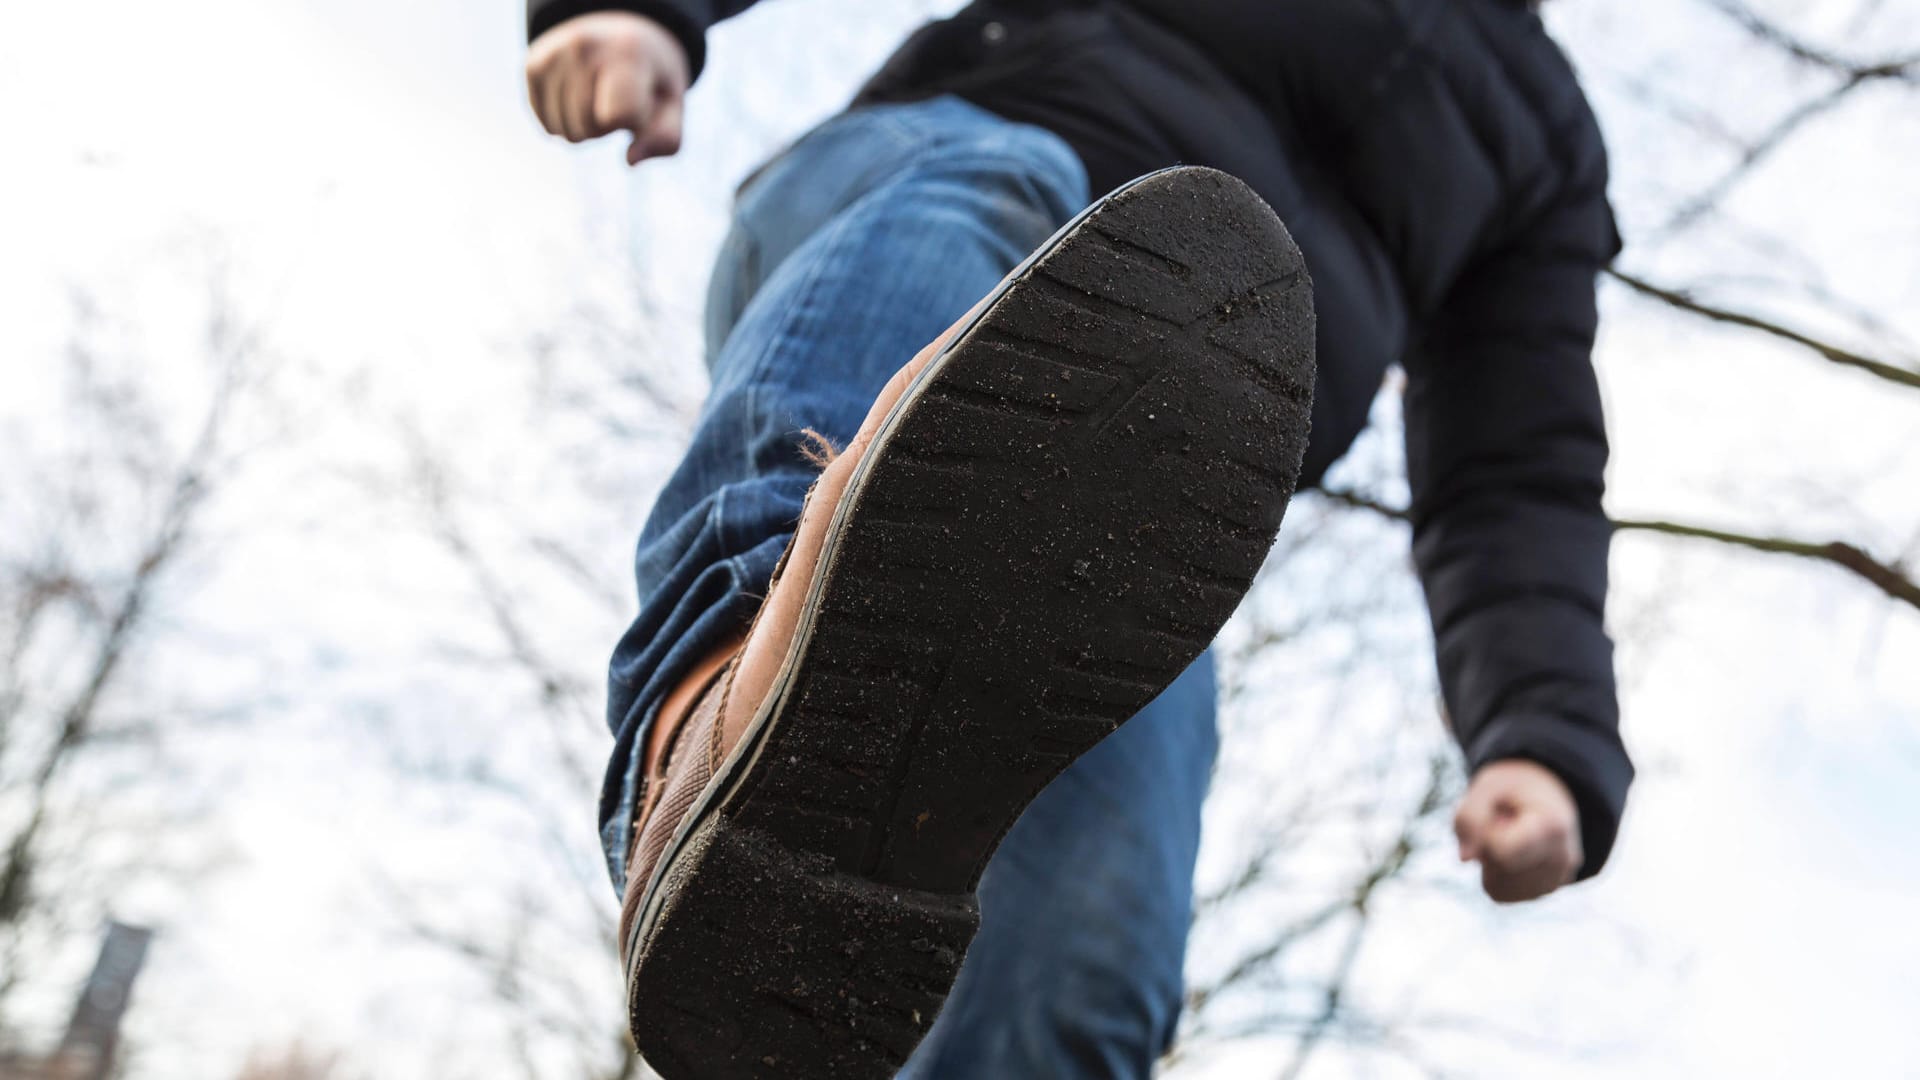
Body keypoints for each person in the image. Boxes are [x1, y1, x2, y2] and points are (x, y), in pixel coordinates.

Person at [522, 1, 1634, 1077]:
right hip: (939, 184)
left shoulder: (1542, 145)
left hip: (1147, 506)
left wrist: (1542, 734)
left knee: (1087, 965)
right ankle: (719, 743)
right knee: (1005, 191)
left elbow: (1517, 461)